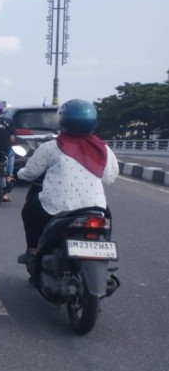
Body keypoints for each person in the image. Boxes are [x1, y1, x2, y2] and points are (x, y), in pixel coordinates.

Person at [16, 99, 118, 265]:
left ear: (62, 120)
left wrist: (19, 173)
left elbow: (30, 174)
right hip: (94, 209)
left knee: (29, 209)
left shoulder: (51, 147)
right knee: (107, 217)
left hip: (57, 208)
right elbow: (109, 177)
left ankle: (33, 251)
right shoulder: (103, 149)